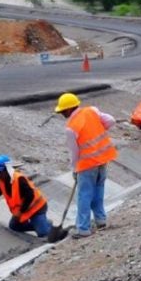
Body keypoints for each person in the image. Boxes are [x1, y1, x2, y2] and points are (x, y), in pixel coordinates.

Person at [55, 92, 117, 239]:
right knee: (98, 191)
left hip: (87, 164)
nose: (62, 113)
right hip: (103, 159)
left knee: (84, 195)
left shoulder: (71, 127)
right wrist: (99, 128)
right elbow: (111, 121)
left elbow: (74, 152)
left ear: (70, 109)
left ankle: (83, 228)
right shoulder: (92, 110)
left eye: (63, 111)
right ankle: (101, 220)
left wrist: (75, 169)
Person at [0, 155, 52, 238]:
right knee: (14, 226)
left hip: (36, 207)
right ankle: (44, 224)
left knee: (42, 233)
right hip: (23, 210)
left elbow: (30, 196)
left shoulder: (19, 179)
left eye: (0, 172)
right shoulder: (1, 182)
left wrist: (20, 211)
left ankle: (45, 227)